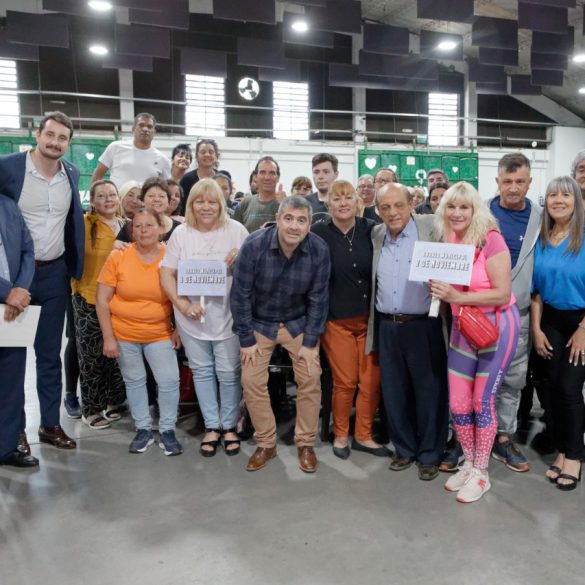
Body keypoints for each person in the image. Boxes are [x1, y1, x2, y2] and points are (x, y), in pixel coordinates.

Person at [429, 182, 520, 503]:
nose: (457, 213)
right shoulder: (448, 238)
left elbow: (502, 293)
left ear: (475, 210)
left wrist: (456, 296)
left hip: (498, 326)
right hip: (463, 326)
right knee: (458, 403)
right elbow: (448, 287)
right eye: (451, 207)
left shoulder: (491, 239)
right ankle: (469, 463)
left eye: (464, 207)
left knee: (482, 401)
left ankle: (481, 472)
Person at [0, 111, 84, 451]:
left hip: (54, 274)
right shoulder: (8, 168)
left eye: (62, 138)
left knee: (49, 354)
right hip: (16, 278)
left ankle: (50, 424)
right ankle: (13, 431)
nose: (55, 142)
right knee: (12, 358)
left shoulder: (71, 173)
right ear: (37, 134)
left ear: (68, 143)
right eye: (50, 135)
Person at [231, 196, 330, 473]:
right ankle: (266, 443)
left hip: (298, 323)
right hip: (259, 323)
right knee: (251, 380)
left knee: (310, 377)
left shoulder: (318, 249)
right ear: (277, 219)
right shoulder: (254, 245)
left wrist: (310, 343)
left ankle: (305, 443)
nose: (294, 226)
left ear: (309, 225)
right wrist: (246, 340)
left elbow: (318, 299)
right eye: (288, 218)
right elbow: (240, 295)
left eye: (301, 220)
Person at [365, 183, 448, 482]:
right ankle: (404, 449)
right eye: (385, 207)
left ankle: (430, 454)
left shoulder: (432, 227)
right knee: (394, 391)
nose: (392, 212)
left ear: (412, 204)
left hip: (423, 325)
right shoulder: (376, 234)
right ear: (377, 210)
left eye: (398, 205)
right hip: (387, 326)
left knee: (429, 392)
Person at [160, 179, 248, 457]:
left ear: (221, 204)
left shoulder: (236, 230)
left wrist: (241, 258)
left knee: (229, 373)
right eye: (200, 201)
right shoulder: (181, 233)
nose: (206, 207)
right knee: (202, 371)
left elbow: (255, 268)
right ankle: (212, 425)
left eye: (212, 201)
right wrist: (182, 304)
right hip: (190, 318)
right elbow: (166, 273)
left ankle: (229, 425)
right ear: (191, 204)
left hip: (228, 317)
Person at [96, 208, 183, 456]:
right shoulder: (118, 257)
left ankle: (167, 430)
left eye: (149, 225)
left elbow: (181, 295)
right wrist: (108, 337)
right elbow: (102, 300)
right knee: (134, 381)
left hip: (160, 332)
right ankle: (143, 429)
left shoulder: (171, 257)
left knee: (169, 381)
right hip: (124, 333)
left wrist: (178, 329)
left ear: (161, 228)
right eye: (138, 226)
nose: (144, 231)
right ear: (131, 231)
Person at [312, 181, 386, 459]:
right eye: (336, 198)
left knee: (370, 382)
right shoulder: (318, 232)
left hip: (370, 320)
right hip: (336, 321)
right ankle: (341, 435)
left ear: (358, 201)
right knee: (346, 381)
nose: (343, 203)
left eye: (347, 197)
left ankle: (364, 435)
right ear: (328, 203)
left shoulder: (372, 229)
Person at [488, 153, 542, 473]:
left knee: (512, 378)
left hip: (518, 312)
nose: (512, 188)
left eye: (519, 181)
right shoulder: (480, 212)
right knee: (474, 376)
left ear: (529, 182)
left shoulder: (540, 218)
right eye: (507, 181)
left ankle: (504, 437)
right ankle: (464, 436)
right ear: (497, 181)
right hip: (481, 311)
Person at [531, 176, 585, 491]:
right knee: (552, 389)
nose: (559, 200)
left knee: (569, 388)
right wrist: (536, 329)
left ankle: (575, 455)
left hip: (581, 320)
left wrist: (583, 329)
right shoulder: (542, 239)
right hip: (550, 319)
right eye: (553, 195)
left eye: (566, 195)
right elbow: (536, 291)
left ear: (576, 200)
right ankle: (563, 449)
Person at [71, 180, 127, 430]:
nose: (108, 199)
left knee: (114, 357)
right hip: (89, 297)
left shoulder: (126, 225)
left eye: (112, 194)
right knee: (91, 357)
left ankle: (113, 401)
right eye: (102, 195)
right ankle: (91, 408)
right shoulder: (84, 224)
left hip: (119, 302)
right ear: (92, 200)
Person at [0, 195, 38, 468]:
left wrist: (20, 289)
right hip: (9, 298)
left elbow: (28, 250)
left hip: (13, 308)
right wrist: (7, 292)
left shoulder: (8, 205)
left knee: (11, 382)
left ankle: (6, 448)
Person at [91, 113, 170, 187]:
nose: (145, 129)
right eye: (141, 125)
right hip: (118, 198)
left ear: (154, 132)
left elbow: (166, 186)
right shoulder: (115, 147)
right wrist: (93, 196)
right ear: (133, 129)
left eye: (149, 127)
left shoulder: (162, 159)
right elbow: (97, 175)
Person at [116, 177, 181, 245]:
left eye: (161, 196)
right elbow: (116, 247)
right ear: (143, 201)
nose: (156, 199)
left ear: (168, 202)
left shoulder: (179, 228)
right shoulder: (130, 227)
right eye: (151, 196)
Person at [233, 156, 286, 232]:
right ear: (255, 177)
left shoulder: (285, 204)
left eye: (272, 173)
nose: (267, 177)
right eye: (262, 172)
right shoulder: (245, 203)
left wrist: (285, 205)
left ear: (278, 177)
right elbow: (235, 233)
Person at [179, 139, 221, 208]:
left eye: (211, 152)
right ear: (197, 156)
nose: (207, 154)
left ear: (216, 156)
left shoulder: (222, 179)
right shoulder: (187, 179)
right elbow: (182, 206)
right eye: (203, 152)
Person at [306, 153, 339, 223]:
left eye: (326, 172)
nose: (320, 176)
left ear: (336, 174)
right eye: (316, 172)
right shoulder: (304, 203)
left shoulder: (345, 203)